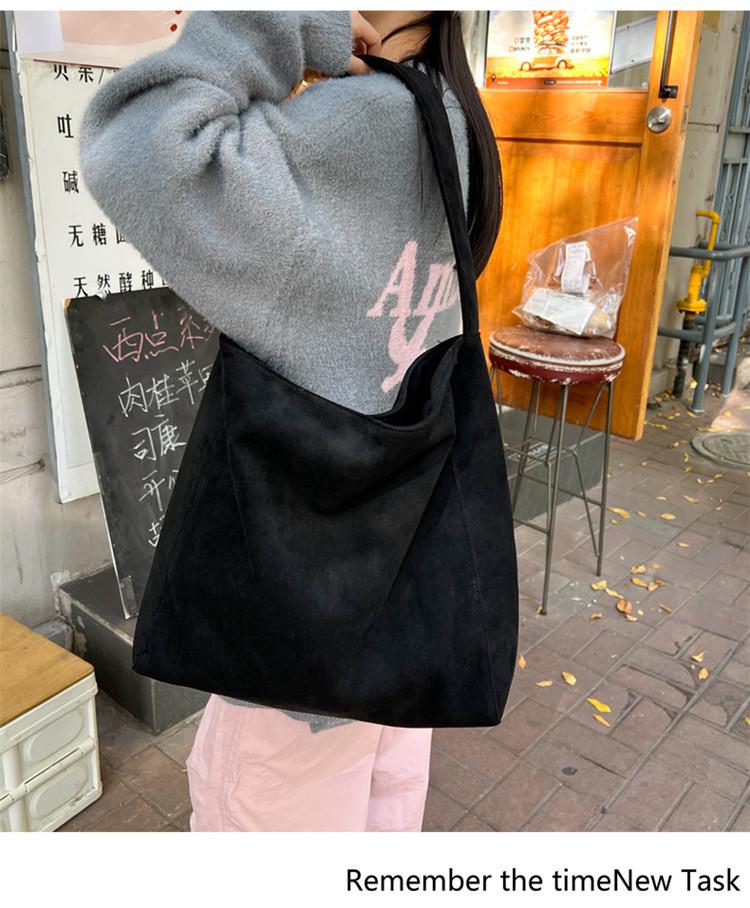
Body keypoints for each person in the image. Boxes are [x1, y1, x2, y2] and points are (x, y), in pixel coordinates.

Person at [78, 10, 502, 832]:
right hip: (403, 612)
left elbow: (133, 142)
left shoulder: (354, 126)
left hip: (292, 653)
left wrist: (283, 22)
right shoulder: (456, 121)